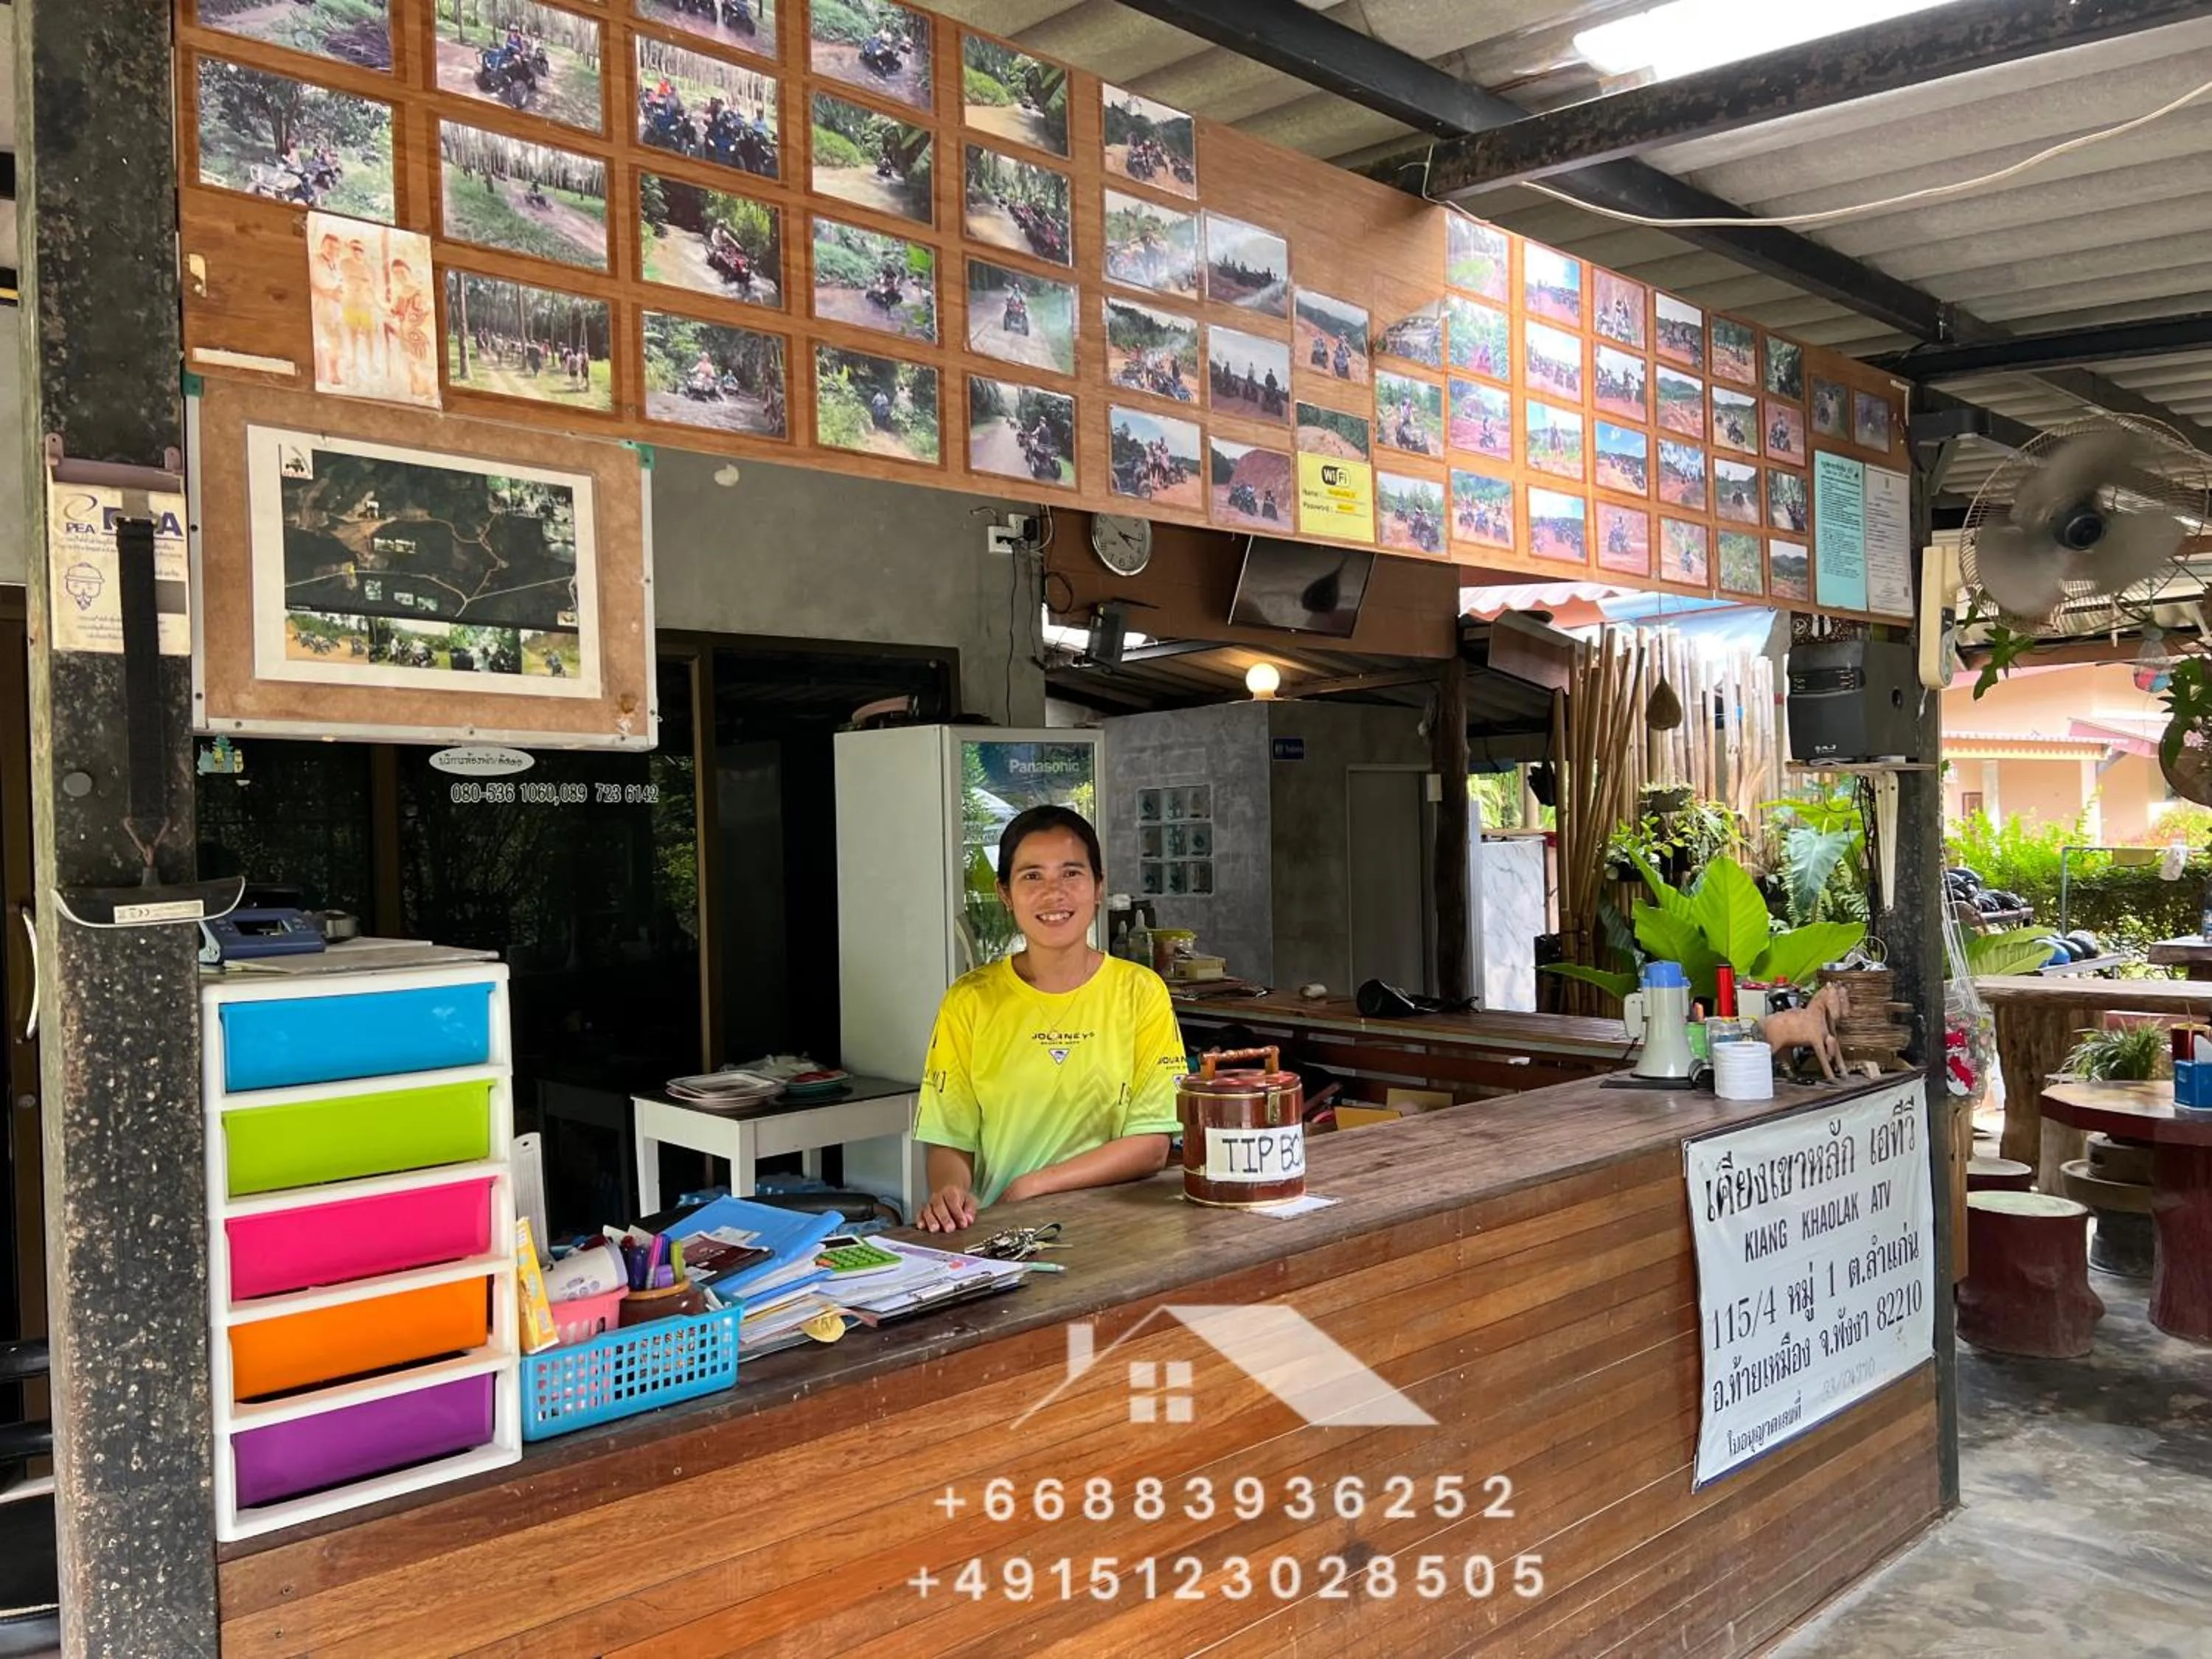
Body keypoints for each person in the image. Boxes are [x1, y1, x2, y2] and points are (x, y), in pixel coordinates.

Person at [916, 807, 1183, 1231]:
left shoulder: (1140, 992)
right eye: (1032, 876)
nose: (1053, 894)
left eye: (1071, 874)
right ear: (1005, 893)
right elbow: (950, 1139)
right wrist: (950, 1193)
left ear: (1098, 887)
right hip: (1000, 1238)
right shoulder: (969, 1000)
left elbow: (1151, 1145)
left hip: (1117, 1234)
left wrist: (1034, 1186)